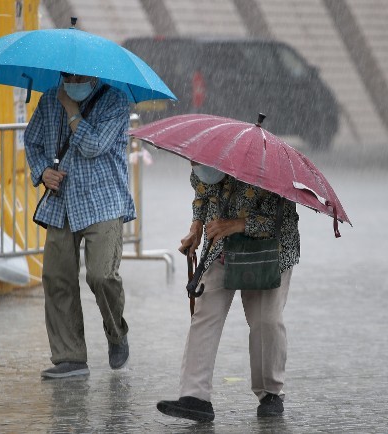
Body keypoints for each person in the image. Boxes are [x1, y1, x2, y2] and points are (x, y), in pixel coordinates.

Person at [157, 163, 300, 421]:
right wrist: (196, 226)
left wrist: (238, 224)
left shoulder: (271, 173)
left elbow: (281, 221)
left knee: (265, 321)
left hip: (268, 252)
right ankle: (195, 396)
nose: (196, 167)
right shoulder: (203, 165)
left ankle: (270, 393)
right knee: (205, 314)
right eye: (193, 163)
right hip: (221, 247)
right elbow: (202, 195)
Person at [24, 72, 135, 379]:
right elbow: (32, 142)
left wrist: (71, 109)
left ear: (93, 73)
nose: (72, 79)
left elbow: (93, 145)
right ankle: (69, 357)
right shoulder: (48, 99)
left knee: (101, 275)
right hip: (61, 203)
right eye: (66, 75)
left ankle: (116, 333)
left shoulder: (114, 101)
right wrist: (43, 171)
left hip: (104, 200)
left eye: (79, 75)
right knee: (57, 278)